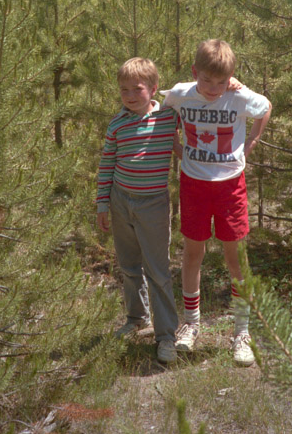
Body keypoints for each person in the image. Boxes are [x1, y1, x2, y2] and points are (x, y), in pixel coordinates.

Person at [162, 39, 272, 366]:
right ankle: (191, 325)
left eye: (220, 82)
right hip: (194, 184)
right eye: (206, 80)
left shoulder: (238, 95)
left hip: (229, 186)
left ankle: (242, 332)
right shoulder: (181, 93)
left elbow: (265, 108)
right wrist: (177, 149)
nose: (212, 88)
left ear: (231, 77)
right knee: (193, 251)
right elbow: (165, 113)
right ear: (195, 72)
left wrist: (250, 142)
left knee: (234, 254)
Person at [96, 57, 179, 363]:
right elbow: (106, 165)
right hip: (120, 201)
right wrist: (102, 203)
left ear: (154, 88)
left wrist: (233, 84)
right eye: (124, 89)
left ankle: (166, 334)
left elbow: (199, 96)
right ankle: (136, 318)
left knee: (157, 271)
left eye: (137, 89)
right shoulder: (117, 124)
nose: (130, 95)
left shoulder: (169, 116)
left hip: (153, 204)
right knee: (129, 265)